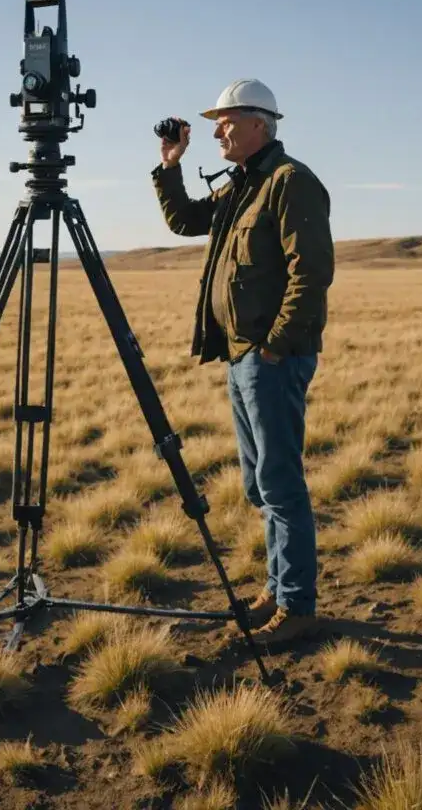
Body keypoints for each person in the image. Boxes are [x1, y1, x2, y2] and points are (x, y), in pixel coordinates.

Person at [151, 78, 334, 645]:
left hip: (270, 358)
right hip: (241, 356)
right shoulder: (242, 186)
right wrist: (169, 165)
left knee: (280, 482)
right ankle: (278, 591)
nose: (216, 130)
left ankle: (297, 605)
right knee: (261, 484)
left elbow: (312, 273)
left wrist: (276, 343)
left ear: (260, 123)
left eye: (226, 120)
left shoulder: (289, 183)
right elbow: (183, 221)